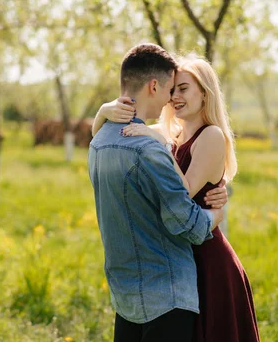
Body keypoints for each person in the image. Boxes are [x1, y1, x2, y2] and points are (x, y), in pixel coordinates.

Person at [94, 54, 260, 342]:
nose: (174, 98)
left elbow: (183, 190)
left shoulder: (211, 136)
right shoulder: (172, 133)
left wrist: (159, 144)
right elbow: (106, 141)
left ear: (204, 93)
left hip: (207, 259)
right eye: (172, 91)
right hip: (177, 255)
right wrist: (103, 111)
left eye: (183, 89)